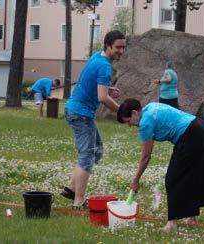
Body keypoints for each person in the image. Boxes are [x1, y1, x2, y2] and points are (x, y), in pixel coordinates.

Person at [117, 98, 204, 232]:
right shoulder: (150, 107)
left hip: (190, 134)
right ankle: (191, 218)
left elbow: (145, 157)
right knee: (193, 174)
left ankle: (172, 223)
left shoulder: (145, 123)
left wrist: (136, 180)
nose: (130, 125)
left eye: (128, 121)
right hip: (201, 128)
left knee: (172, 179)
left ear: (134, 113)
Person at [60, 30, 126, 209]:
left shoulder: (97, 57)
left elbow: (89, 82)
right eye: (118, 47)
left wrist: (108, 88)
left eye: (123, 47)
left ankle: (71, 188)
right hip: (80, 114)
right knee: (88, 155)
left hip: (77, 111)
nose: (121, 51)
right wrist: (122, 111)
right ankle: (78, 201)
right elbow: (102, 98)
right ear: (108, 45)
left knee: (96, 151)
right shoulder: (105, 66)